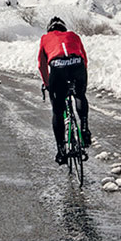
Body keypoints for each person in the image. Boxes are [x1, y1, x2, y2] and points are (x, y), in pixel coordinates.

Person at [38, 17, 91, 165]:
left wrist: (48, 84)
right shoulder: (74, 36)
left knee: (58, 111)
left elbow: (42, 65)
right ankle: (85, 127)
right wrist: (81, 79)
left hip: (58, 68)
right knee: (80, 95)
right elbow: (84, 58)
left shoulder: (45, 38)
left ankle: (61, 149)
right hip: (77, 65)